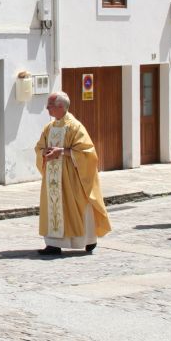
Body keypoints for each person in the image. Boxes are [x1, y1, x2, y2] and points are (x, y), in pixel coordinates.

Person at [34, 91, 112, 255]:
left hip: (73, 177)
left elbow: (87, 153)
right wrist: (44, 152)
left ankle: (88, 240)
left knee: (79, 206)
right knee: (54, 207)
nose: (47, 109)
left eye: (50, 106)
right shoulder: (49, 128)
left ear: (61, 107)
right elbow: (39, 147)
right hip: (53, 178)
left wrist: (61, 151)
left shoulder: (75, 126)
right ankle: (54, 244)